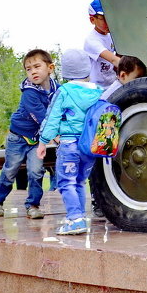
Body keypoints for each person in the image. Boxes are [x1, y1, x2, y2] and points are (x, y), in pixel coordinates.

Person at [37, 50, 103, 236]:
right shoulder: (98, 92)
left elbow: (52, 119)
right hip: (89, 146)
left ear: (65, 72)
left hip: (69, 145)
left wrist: (42, 142)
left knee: (66, 182)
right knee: (80, 182)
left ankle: (75, 220)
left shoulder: (64, 92)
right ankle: (79, 216)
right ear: (87, 69)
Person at [0, 50, 58, 218]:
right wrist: (56, 136)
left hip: (36, 140)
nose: (33, 71)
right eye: (28, 69)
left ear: (50, 68)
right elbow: (42, 117)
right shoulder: (29, 93)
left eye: (37, 66)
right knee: (10, 170)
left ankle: (33, 205)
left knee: (36, 171)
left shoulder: (58, 90)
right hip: (18, 137)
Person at [84, 0, 120, 89]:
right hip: (98, 88)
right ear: (92, 20)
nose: (109, 21)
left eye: (111, 16)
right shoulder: (91, 40)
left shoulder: (112, 35)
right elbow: (114, 60)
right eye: (104, 18)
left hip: (112, 83)